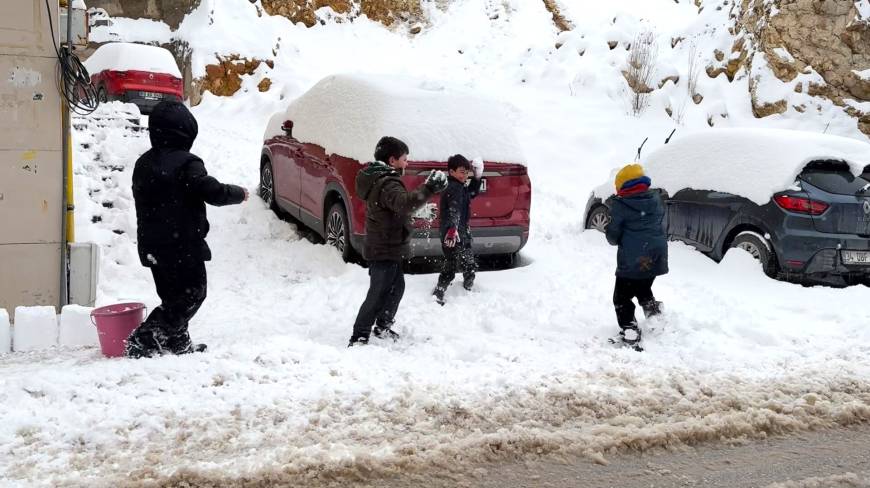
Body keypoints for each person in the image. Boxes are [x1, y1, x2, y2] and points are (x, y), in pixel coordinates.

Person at [126, 100, 248, 358]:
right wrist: (239, 193)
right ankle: (147, 335)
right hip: (181, 245)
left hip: (152, 246)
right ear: (186, 132)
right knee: (193, 294)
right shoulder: (187, 162)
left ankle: (177, 342)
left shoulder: (143, 163)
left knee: (172, 297)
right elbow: (210, 191)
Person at [349, 136, 448, 346]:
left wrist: (419, 212)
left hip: (386, 245)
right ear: (392, 160)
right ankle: (359, 335)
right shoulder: (388, 183)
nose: (407, 163)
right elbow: (403, 204)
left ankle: (383, 326)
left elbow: (392, 211)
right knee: (378, 293)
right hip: (384, 247)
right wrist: (429, 188)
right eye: (404, 159)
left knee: (396, 288)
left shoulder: (381, 180)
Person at [605, 163, 667, 352]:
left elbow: (613, 237)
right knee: (642, 286)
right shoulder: (655, 199)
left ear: (623, 187)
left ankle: (630, 330)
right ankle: (654, 314)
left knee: (621, 297)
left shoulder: (621, 205)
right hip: (655, 255)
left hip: (633, 258)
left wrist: (610, 229)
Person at [433, 154, 484, 305]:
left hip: (457, 231)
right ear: (451, 172)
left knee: (461, 261)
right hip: (453, 232)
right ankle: (441, 291)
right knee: (457, 262)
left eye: (467, 172)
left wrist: (477, 177)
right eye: (462, 171)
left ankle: (460, 288)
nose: (465, 175)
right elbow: (453, 210)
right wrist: (452, 231)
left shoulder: (458, 186)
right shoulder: (453, 188)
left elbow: (471, 194)